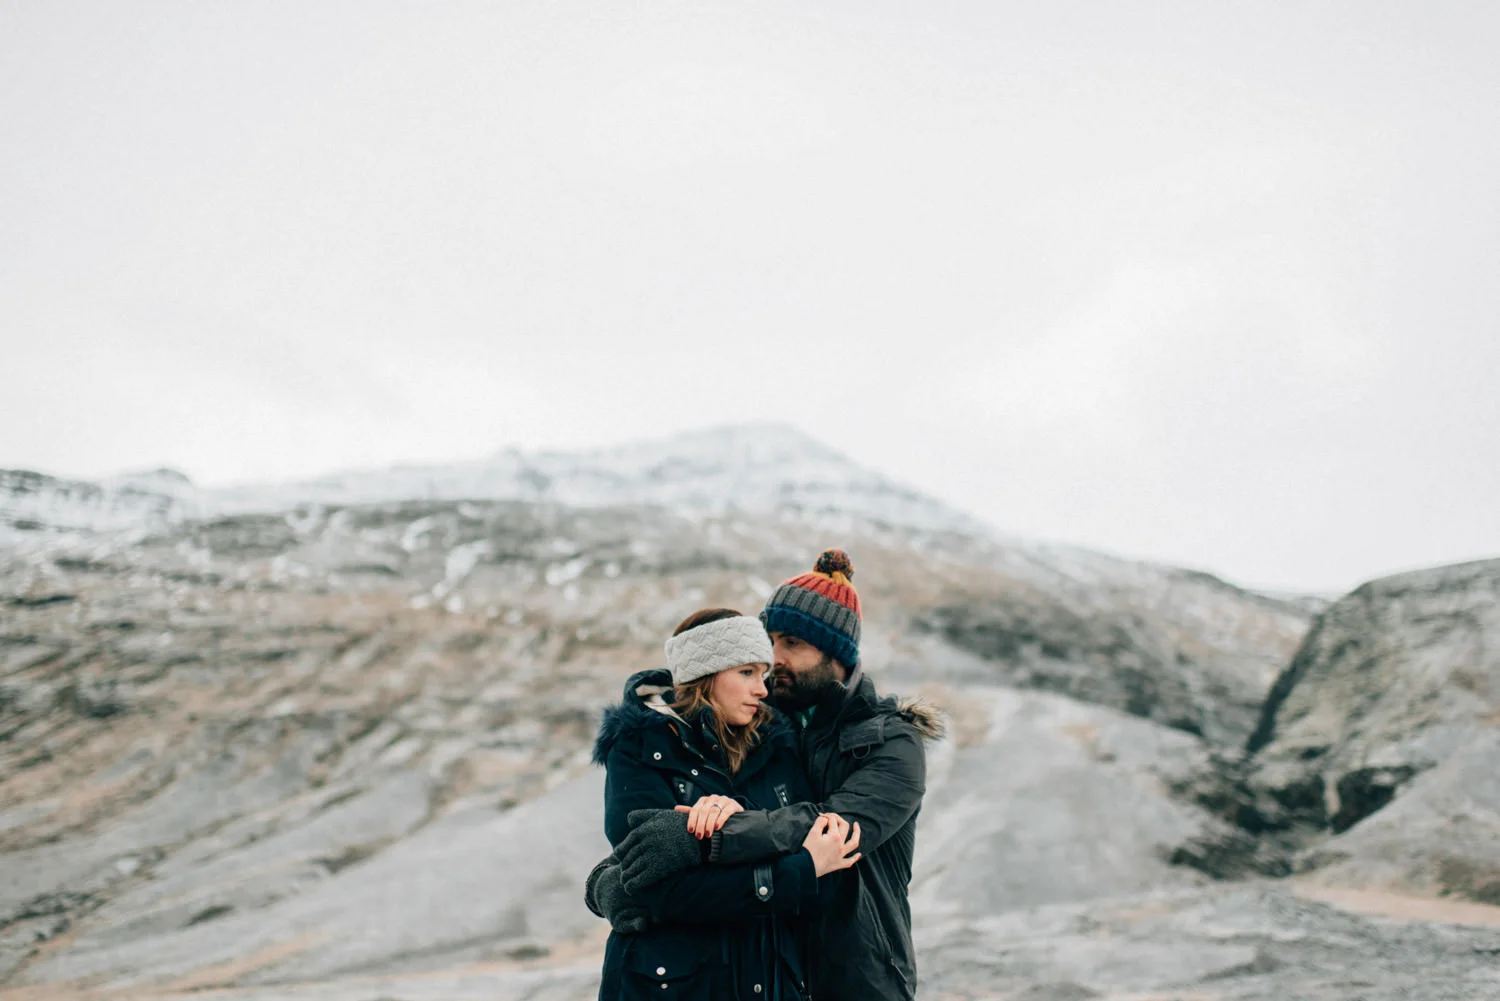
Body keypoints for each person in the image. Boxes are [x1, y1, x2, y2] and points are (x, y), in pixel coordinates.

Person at [598, 551, 945, 1001]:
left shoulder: (891, 742)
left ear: (835, 653)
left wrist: (709, 832)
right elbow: (649, 838)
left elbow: (831, 825)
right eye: (769, 643)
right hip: (779, 970)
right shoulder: (765, 729)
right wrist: (610, 876)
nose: (774, 659)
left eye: (792, 644)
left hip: (857, 976)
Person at [588, 607, 862, 1001]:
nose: (763, 689)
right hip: (671, 986)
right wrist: (798, 871)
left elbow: (831, 869)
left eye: (763, 673)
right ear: (706, 675)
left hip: (770, 982)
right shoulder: (640, 747)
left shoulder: (778, 745)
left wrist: (730, 829)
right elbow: (653, 889)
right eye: (746, 672)